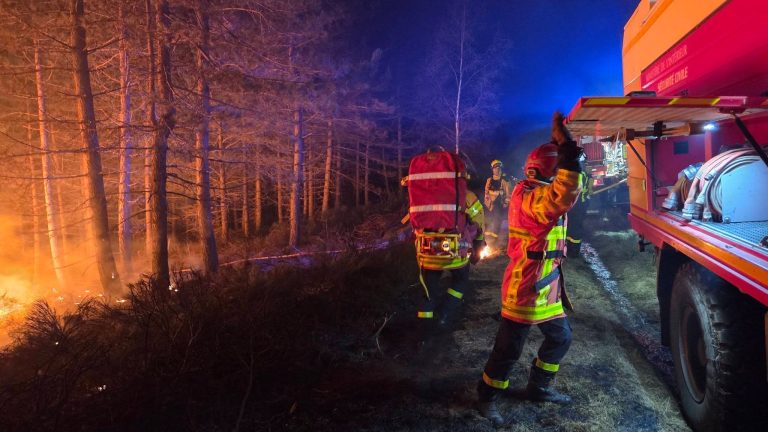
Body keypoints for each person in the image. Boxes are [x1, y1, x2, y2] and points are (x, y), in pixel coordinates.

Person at [476, 112, 583, 425]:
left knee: (560, 339)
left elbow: (570, 186)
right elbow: (561, 194)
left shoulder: (538, 189)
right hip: (525, 287)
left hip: (546, 286)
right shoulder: (527, 196)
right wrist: (564, 152)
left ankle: (538, 388)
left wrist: (560, 149)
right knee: (508, 350)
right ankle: (487, 396)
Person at [484, 160, 512, 248]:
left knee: (497, 222)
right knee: (487, 221)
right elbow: (486, 193)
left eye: (499, 168)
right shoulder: (489, 180)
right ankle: (486, 239)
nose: (497, 170)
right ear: (492, 169)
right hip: (489, 206)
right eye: (495, 168)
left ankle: (493, 242)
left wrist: (506, 203)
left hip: (499, 205)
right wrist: (487, 203)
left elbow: (508, 194)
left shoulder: (504, 181)